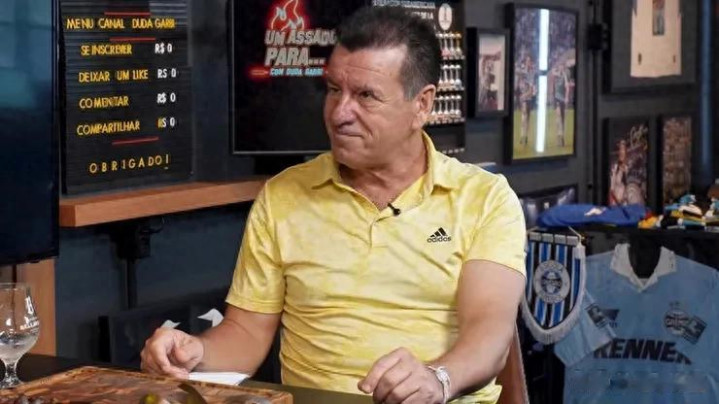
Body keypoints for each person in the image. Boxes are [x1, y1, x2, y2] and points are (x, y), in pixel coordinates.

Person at [141, 7, 526, 404]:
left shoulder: (484, 199)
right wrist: (194, 353)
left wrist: (438, 379)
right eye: (333, 90)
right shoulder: (283, 195)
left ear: (422, 105)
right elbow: (246, 334)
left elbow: (489, 334)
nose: (340, 114)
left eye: (366, 96)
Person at [609, 139, 629, 206]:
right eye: (620, 149)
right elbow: (611, 189)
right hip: (615, 204)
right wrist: (617, 202)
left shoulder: (628, 168)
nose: (621, 152)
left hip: (626, 204)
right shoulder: (615, 168)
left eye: (623, 149)